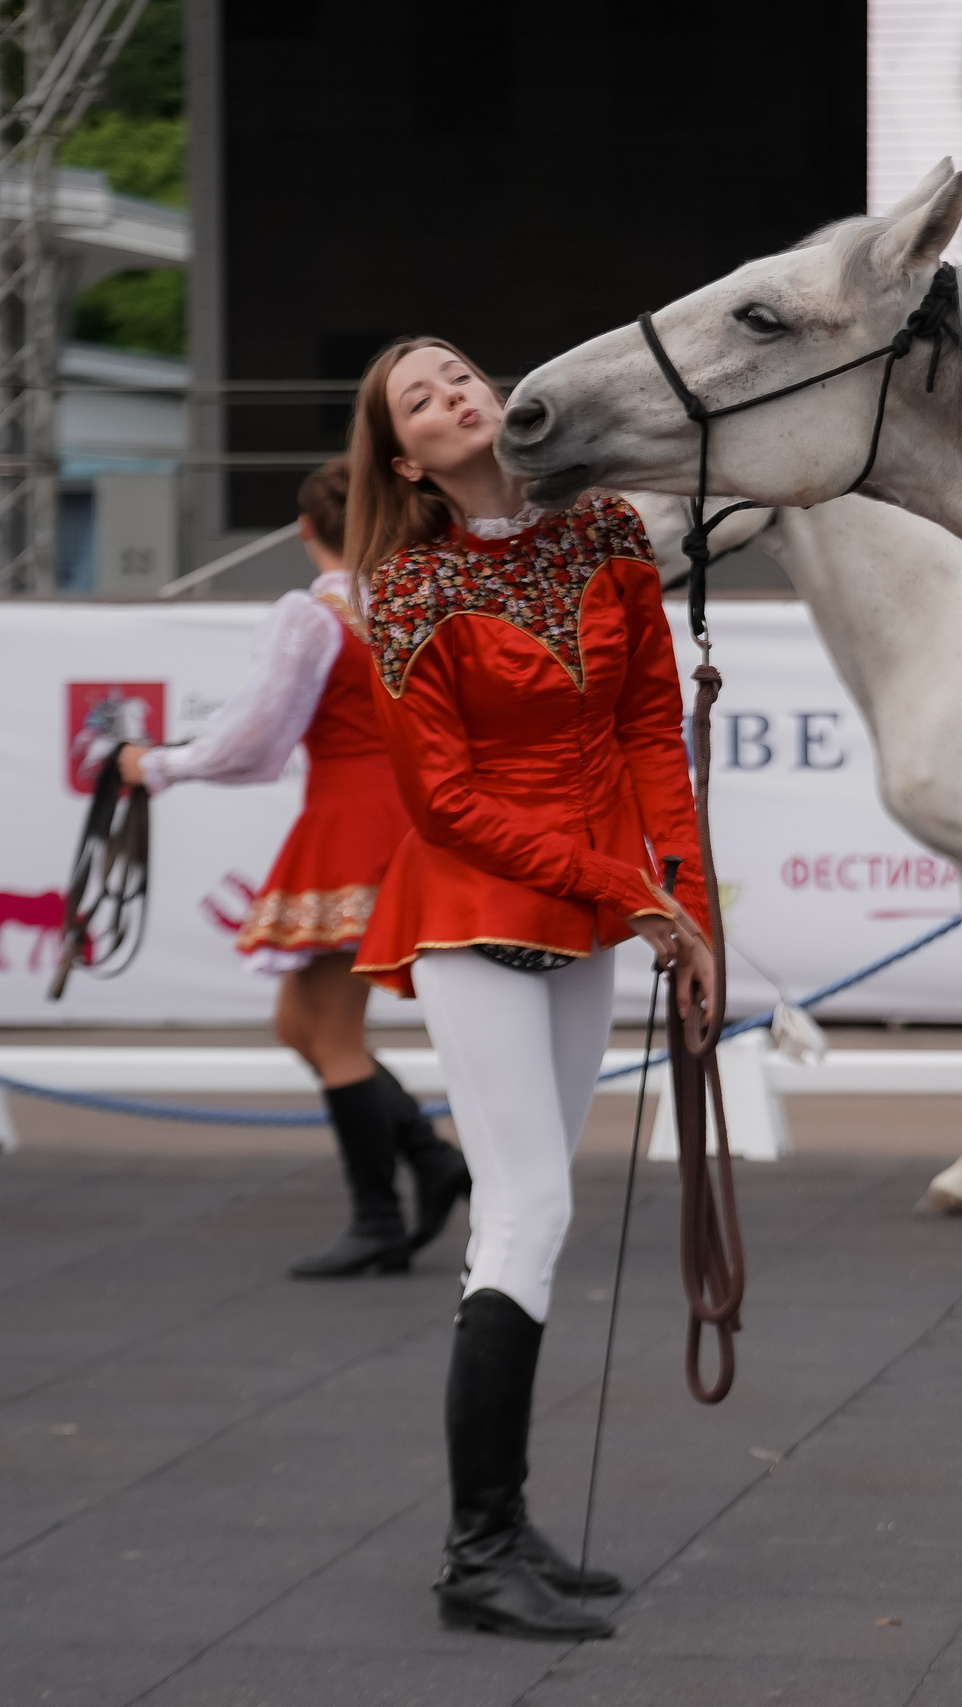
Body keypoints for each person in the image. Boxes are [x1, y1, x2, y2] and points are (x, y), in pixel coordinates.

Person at [344, 336, 717, 1640]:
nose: (453, 393)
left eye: (460, 373)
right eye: (420, 398)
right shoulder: (404, 591)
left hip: (601, 910)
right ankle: (476, 1550)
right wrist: (630, 891)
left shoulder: (606, 530)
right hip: (473, 914)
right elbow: (441, 802)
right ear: (405, 458)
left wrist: (692, 918)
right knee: (530, 1209)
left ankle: (502, 1522)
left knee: (526, 1216)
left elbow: (648, 731)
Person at [120, 457, 471, 1276]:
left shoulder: (315, 616)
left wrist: (159, 764)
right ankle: (429, 1156)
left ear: (306, 530)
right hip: (404, 819)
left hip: (350, 823)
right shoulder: (422, 602)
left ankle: (379, 1214)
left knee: (332, 1032)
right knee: (299, 1025)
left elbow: (254, 740)